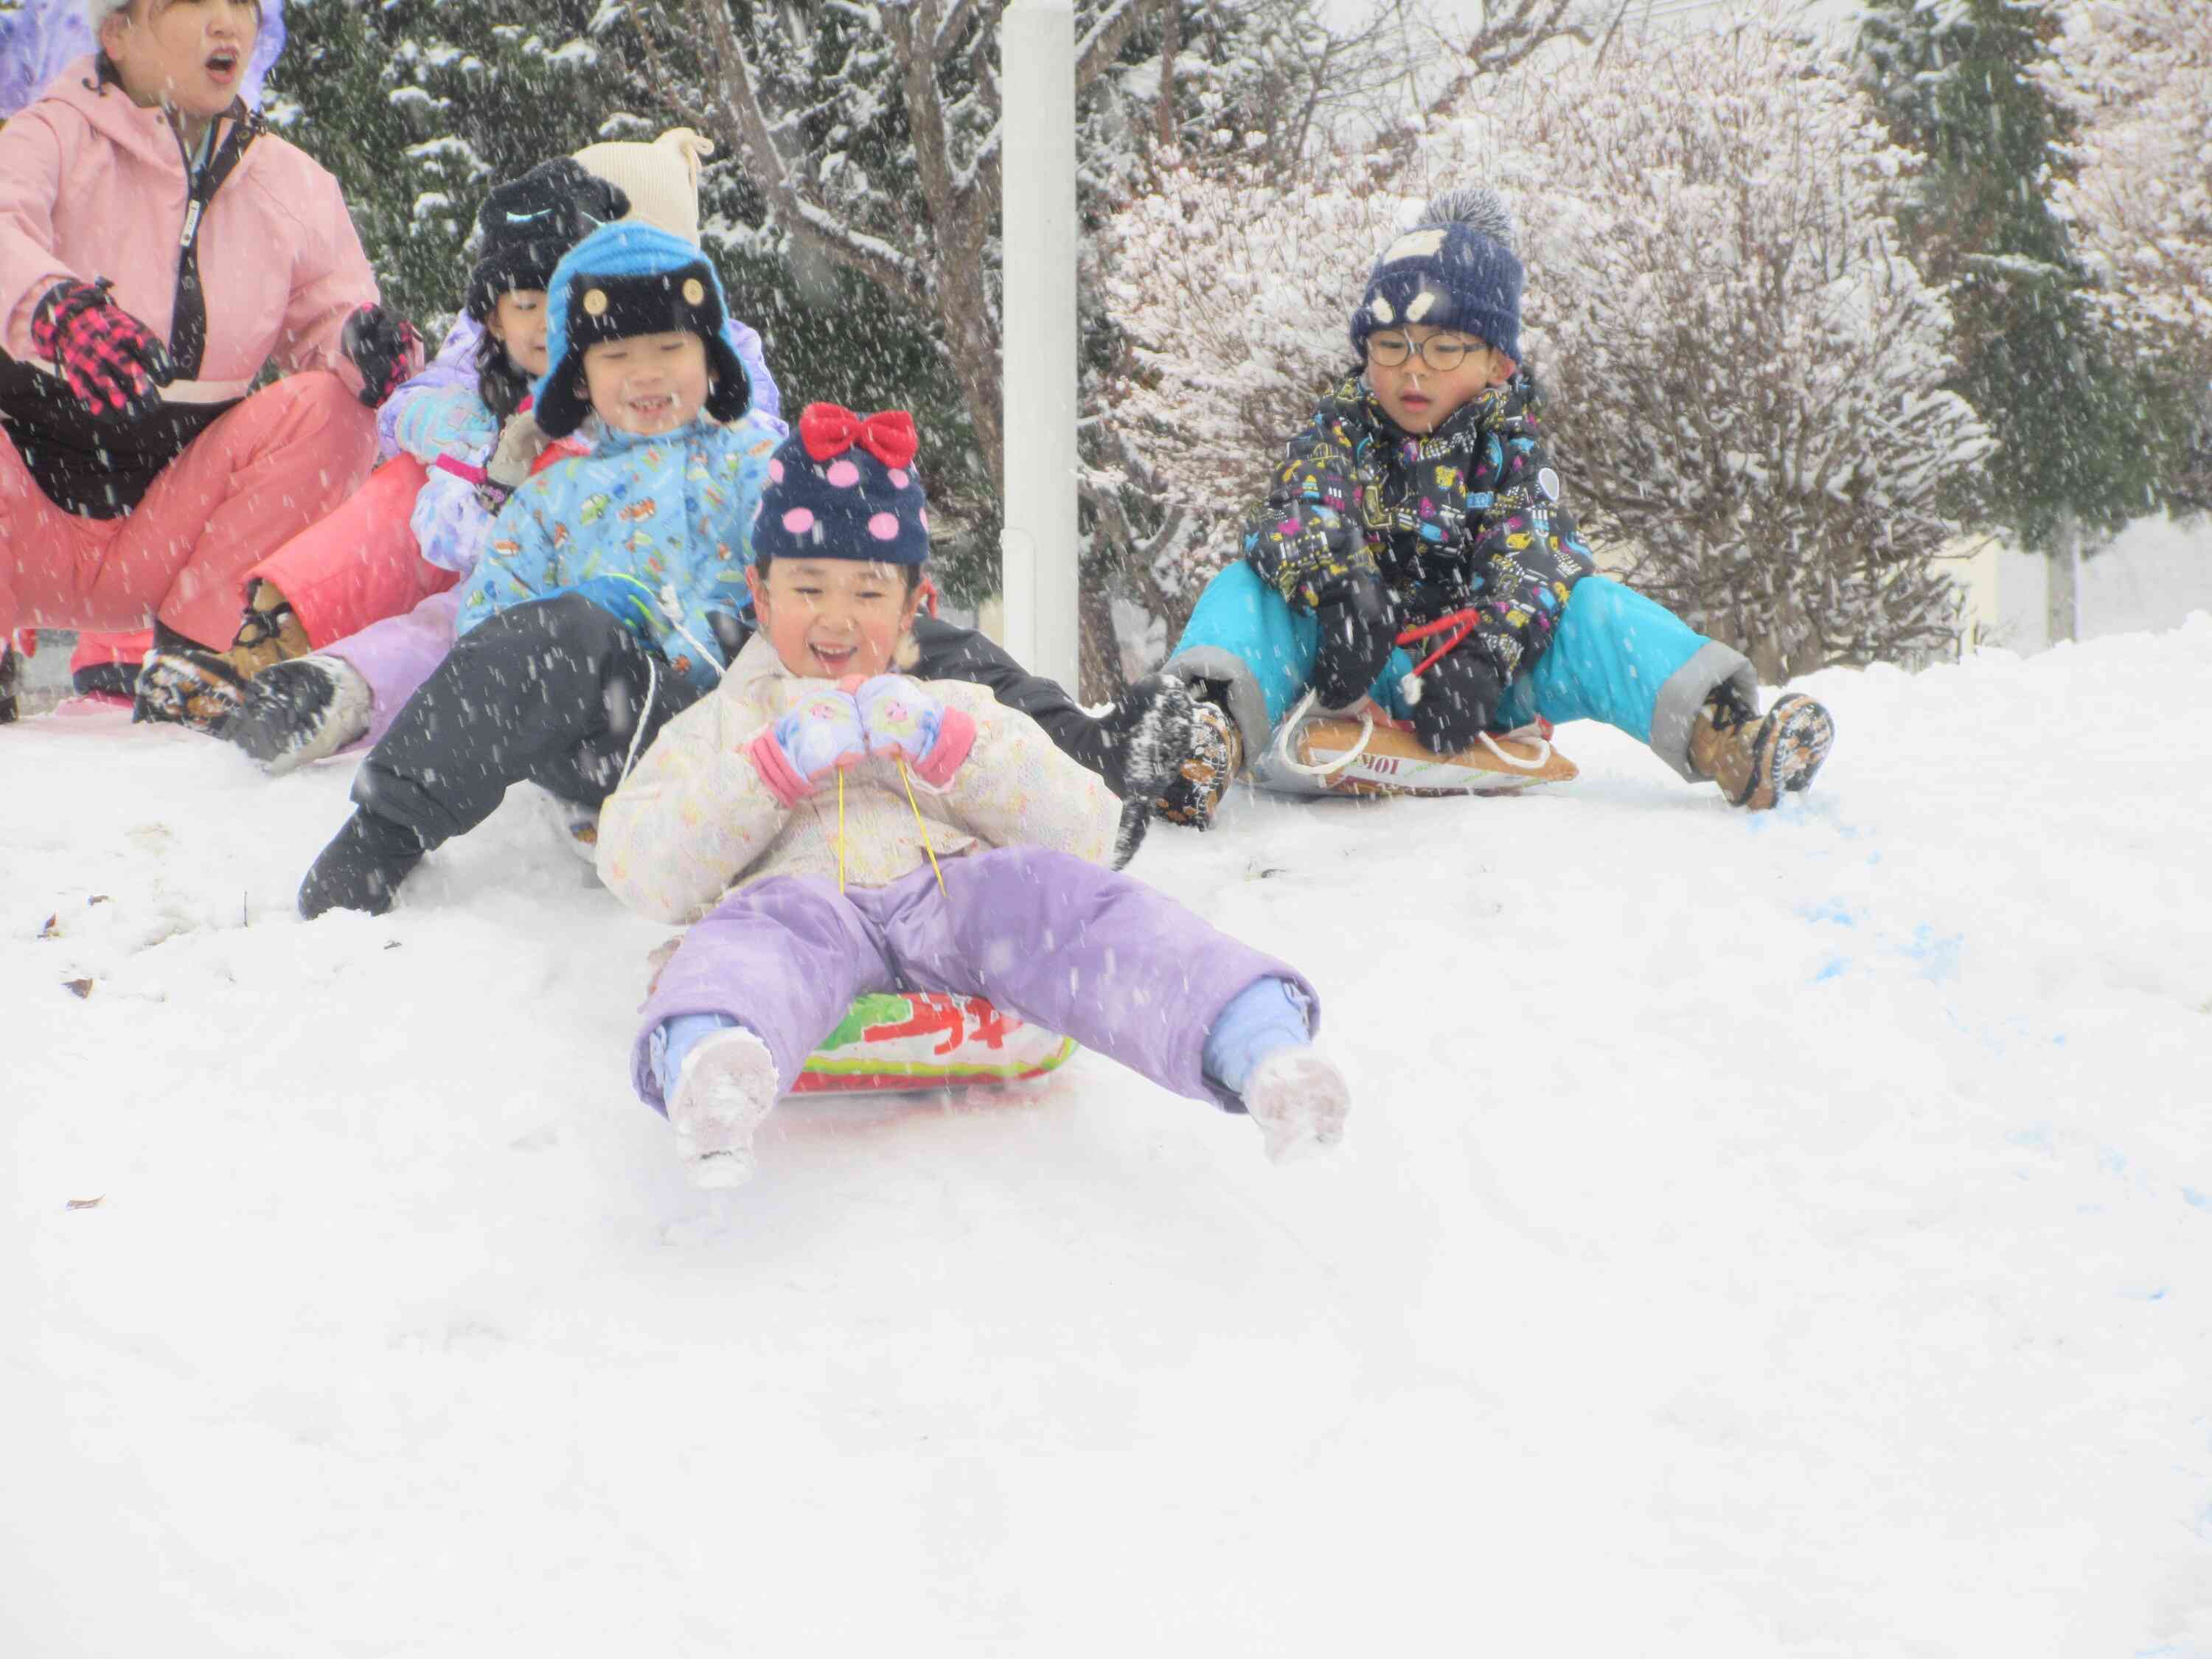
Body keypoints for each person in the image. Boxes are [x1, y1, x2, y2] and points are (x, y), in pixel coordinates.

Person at [594, 407, 1352, 1187]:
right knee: (747, 940)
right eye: (807, 587)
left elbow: (1086, 832)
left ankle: (1252, 1040)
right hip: (800, 902)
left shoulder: (956, 701)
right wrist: (767, 772)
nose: (835, 616)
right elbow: (639, 867)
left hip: (949, 890)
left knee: (1054, 898)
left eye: (867, 591)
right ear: (759, 594)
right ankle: (716, 1069)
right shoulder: (727, 722)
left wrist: (953, 748)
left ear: (915, 603)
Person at [1159, 188, 1836, 818]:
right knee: (1248, 589)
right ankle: (1199, 734)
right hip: (1347, 661)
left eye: (1444, 348)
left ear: (1498, 364)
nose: (1412, 370)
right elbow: (1299, 508)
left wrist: (1490, 652)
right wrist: (1338, 588)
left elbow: (1537, 552)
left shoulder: (1510, 450)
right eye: (1390, 347)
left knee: (1597, 612)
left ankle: (1727, 735)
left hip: (1469, 679)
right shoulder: (1340, 429)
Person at [0, 0, 420, 723]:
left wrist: (375, 349)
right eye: (192, 3)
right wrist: (55, 310)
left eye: (244, 6)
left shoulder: (291, 184)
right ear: (116, 31)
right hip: (22, 523)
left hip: (169, 534)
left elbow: (337, 312)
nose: (227, 23)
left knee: (333, 411)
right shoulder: (44, 137)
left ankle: (202, 660)